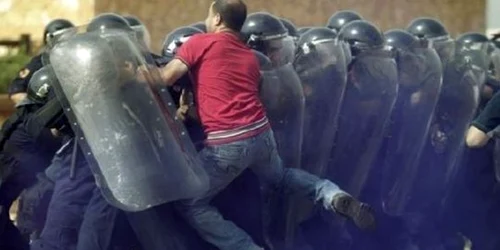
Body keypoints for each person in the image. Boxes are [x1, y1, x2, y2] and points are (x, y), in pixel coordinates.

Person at [153, 1, 375, 249]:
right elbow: (230, 102)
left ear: (216, 19)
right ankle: (332, 195)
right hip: (260, 134)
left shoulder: (199, 43)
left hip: (227, 145)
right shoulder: (248, 56)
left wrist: (132, 72)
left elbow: (163, 77)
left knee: (190, 203)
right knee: (282, 177)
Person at [8, 19, 74, 105]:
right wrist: (34, 104)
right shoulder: (40, 62)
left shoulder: (79, 61)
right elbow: (16, 90)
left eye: (70, 37)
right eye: (60, 39)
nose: (65, 43)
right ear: (49, 39)